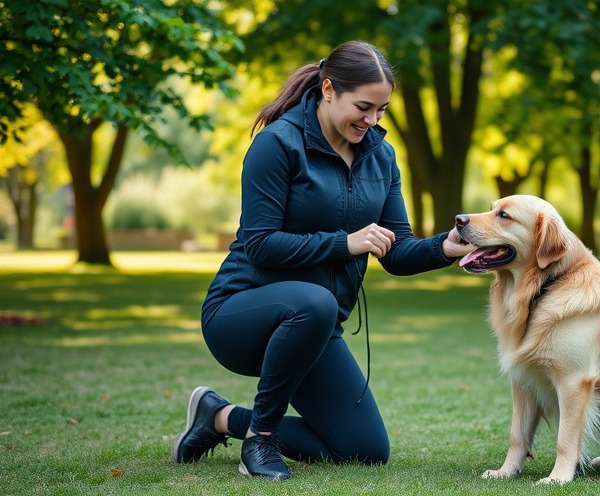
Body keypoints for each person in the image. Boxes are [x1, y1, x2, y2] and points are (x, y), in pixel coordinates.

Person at [170, 40, 475, 479]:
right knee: (314, 302)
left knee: (364, 449)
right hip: (241, 313)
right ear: (329, 89)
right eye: (364, 107)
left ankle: (218, 417)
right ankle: (260, 443)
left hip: (315, 326)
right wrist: (344, 243)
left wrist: (444, 246)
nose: (372, 121)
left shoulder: (381, 156)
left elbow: (396, 249)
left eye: (382, 111)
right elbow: (259, 244)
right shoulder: (277, 144)